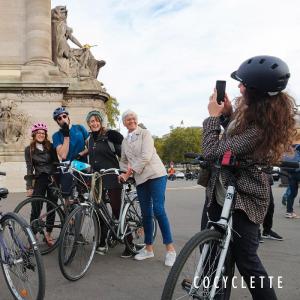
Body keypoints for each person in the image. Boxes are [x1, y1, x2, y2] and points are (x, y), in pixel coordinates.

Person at [201, 55, 295, 299]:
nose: (239, 87)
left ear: (257, 91)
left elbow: (213, 151)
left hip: (245, 197)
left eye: (243, 85)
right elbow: (234, 138)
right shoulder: (250, 111)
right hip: (220, 190)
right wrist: (226, 116)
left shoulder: (261, 127)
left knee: (247, 262)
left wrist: (212, 118)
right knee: (212, 254)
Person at [119, 110, 176, 267]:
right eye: (128, 119)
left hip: (155, 174)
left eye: (133, 118)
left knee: (158, 210)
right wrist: (125, 172)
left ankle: (170, 250)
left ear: (136, 120)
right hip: (140, 179)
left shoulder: (145, 133)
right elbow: (123, 161)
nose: (131, 121)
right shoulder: (124, 142)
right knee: (145, 214)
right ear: (124, 123)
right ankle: (148, 248)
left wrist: (129, 171)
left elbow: (146, 156)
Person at [85, 110, 133, 258]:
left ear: (100, 122)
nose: (94, 123)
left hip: (112, 177)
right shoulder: (89, 140)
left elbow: (124, 155)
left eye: (96, 121)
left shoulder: (111, 135)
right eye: (91, 121)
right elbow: (90, 156)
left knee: (117, 211)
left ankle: (129, 244)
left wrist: (126, 172)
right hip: (97, 179)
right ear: (89, 123)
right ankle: (102, 242)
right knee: (99, 212)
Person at [24, 122, 59, 246]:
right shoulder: (29, 149)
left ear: (45, 135)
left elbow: (56, 163)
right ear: (34, 134)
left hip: (52, 179)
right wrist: (29, 186)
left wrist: (58, 180)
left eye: (43, 133)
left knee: (52, 207)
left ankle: (48, 234)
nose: (41, 135)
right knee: (35, 207)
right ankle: (32, 236)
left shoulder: (51, 146)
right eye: (38, 132)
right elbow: (29, 168)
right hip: (39, 179)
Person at [52, 107, 89, 196]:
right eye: (59, 118)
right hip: (67, 166)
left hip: (81, 164)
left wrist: (82, 153)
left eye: (64, 116)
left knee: (84, 194)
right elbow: (63, 155)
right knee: (68, 197)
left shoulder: (80, 128)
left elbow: (91, 146)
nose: (62, 119)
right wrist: (66, 136)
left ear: (68, 117)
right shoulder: (56, 136)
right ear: (57, 122)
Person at [259, 175, 283, 242]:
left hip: (266, 178)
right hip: (253, 177)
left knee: (270, 206)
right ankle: (256, 232)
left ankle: (267, 231)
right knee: (257, 206)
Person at [281, 142, 300, 218]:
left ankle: (289, 212)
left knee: (292, 193)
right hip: (296, 174)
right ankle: (289, 212)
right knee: (292, 193)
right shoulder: (296, 153)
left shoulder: (284, 156)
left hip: (291, 175)